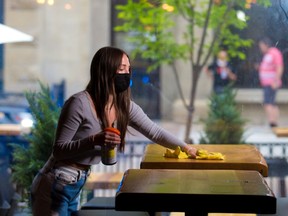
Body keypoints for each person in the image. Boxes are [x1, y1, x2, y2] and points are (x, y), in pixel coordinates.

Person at [30, 46, 198, 215]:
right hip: (53, 184)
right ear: (105, 71)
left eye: (128, 69)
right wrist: (94, 140)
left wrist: (185, 147)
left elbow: (155, 132)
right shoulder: (79, 103)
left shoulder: (124, 106)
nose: (127, 74)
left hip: (75, 183)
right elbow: (59, 150)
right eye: (121, 69)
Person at [258, 37, 284, 128]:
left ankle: (273, 123)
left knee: (268, 103)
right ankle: (273, 122)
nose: (260, 48)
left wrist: (275, 81)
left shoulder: (274, 53)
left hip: (271, 83)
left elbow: (279, 67)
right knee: (270, 103)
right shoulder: (267, 54)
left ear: (266, 45)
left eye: (261, 46)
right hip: (267, 83)